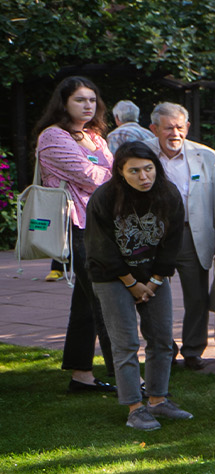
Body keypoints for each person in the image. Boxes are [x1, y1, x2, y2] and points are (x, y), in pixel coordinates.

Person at [84, 141, 193, 431]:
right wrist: (131, 284)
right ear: (120, 172)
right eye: (134, 171)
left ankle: (158, 399)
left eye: (149, 169)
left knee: (161, 339)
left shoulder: (168, 194)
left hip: (153, 275)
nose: (144, 177)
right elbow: (101, 249)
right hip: (111, 276)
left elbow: (172, 243)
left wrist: (155, 281)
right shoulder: (104, 199)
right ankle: (135, 407)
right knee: (126, 343)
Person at [34, 77, 116, 393]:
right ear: (64, 102)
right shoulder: (53, 137)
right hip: (76, 225)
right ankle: (126, 377)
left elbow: (103, 173)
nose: (87, 105)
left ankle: (81, 376)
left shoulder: (95, 137)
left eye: (92, 100)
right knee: (104, 298)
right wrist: (120, 175)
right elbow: (90, 176)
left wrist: (113, 174)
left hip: (99, 224)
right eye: (80, 100)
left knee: (85, 301)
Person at [143, 103, 215, 372]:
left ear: (187, 127)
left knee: (197, 297)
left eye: (180, 127)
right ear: (154, 129)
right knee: (150, 295)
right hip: (154, 237)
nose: (174, 133)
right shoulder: (141, 155)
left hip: (192, 234)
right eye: (168, 128)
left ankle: (192, 350)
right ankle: (164, 348)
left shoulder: (208, 156)